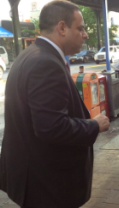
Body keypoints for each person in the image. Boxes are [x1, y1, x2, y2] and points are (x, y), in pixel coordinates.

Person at [0, 1, 110, 208]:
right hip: (47, 186)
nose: (85, 34)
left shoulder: (29, 55)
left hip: (33, 178)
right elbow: (51, 126)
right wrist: (94, 125)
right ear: (62, 28)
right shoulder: (46, 63)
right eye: (81, 28)